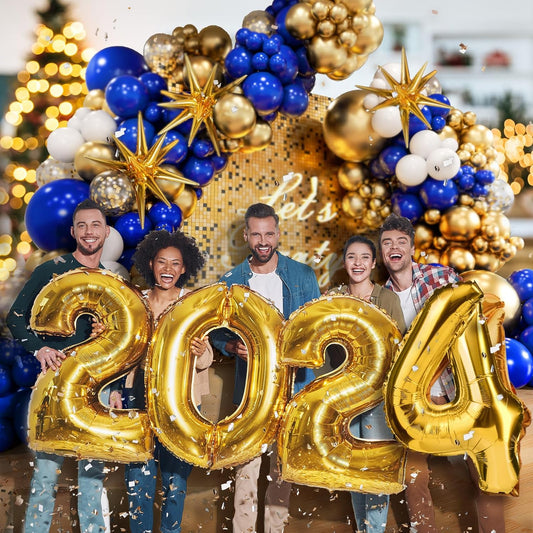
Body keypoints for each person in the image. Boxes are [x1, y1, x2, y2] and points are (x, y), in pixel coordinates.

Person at [378, 213, 505, 533]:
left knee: (485, 470)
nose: (394, 248)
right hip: (414, 404)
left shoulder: (440, 277)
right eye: (387, 243)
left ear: (412, 248)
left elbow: (467, 327)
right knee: (413, 476)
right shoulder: (381, 299)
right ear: (381, 252)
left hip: (456, 391)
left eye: (401, 242)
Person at [210, 203, 321, 533]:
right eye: (256, 234)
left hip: (291, 391)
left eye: (269, 234)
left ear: (278, 234)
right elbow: (215, 332)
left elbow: (315, 331)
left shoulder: (302, 276)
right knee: (245, 474)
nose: (263, 241)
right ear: (246, 235)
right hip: (249, 395)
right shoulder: (231, 281)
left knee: (281, 475)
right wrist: (233, 347)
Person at [7, 199, 111, 533]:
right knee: (45, 476)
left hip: (94, 390)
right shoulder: (50, 271)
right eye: (82, 225)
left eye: (95, 225)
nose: (89, 232)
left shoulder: (111, 281)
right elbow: (15, 318)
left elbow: (118, 340)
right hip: (53, 386)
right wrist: (39, 349)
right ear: (73, 232)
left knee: (92, 477)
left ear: (107, 232)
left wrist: (104, 333)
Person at [108, 229, 213, 533]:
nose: (168, 269)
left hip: (181, 404)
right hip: (137, 398)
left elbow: (206, 360)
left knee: (175, 482)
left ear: (184, 268)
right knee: (137, 480)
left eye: (175, 263)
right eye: (162, 262)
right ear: (151, 263)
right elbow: (120, 352)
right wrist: (115, 388)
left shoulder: (193, 303)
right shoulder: (135, 301)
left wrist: (201, 351)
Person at [329, 235, 406, 532]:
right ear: (344, 262)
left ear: (374, 263)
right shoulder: (333, 297)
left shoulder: (387, 299)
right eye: (351, 257)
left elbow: (399, 348)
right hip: (344, 397)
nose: (358, 263)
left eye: (364, 257)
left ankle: (373, 530)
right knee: (353, 468)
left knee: (373, 469)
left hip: (378, 398)